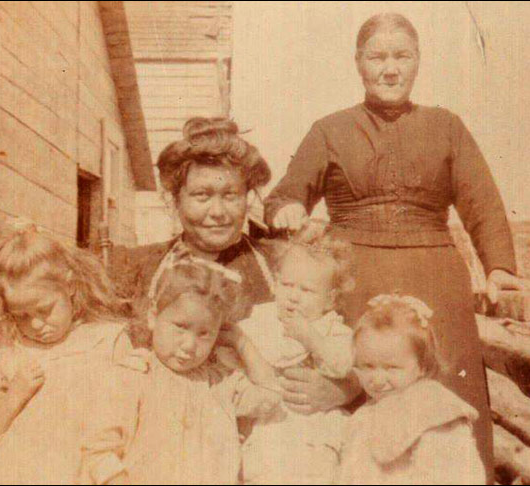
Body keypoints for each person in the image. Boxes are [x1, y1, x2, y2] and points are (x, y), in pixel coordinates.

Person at [264, 13, 530, 482]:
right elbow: (284, 195)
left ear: (417, 63)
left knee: (445, 393)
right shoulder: (330, 129)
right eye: (377, 57)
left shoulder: (447, 127)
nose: (390, 69)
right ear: (358, 64)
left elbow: (483, 203)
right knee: (360, 380)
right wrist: (286, 209)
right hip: (353, 276)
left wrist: (499, 268)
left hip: (435, 277)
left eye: (402, 56)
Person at [110, 117, 361, 421]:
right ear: (174, 200)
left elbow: (359, 348)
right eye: (202, 196)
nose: (217, 212)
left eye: (230, 195)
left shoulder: (282, 265)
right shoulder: (137, 268)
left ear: (247, 197)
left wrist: (344, 389)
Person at [0, 224, 137, 485]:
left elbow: (134, 414)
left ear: (70, 287)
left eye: (45, 310)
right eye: (21, 316)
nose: (35, 324)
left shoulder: (106, 342)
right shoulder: (7, 361)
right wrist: (13, 398)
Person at [81, 262, 280, 485]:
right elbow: (98, 450)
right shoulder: (134, 374)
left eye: (204, 334)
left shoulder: (222, 383)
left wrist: (241, 342)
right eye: (180, 327)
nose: (189, 345)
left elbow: (270, 395)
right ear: (153, 317)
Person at [234, 224, 355, 485]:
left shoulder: (333, 328)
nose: (294, 297)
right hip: (267, 424)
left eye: (307, 290)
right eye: (287, 285)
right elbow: (235, 356)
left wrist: (311, 338)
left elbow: (343, 366)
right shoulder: (261, 318)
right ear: (275, 283)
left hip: (316, 427)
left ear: (330, 299)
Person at [337, 294, 485, 484]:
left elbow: (452, 474)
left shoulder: (433, 411)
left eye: (392, 367)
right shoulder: (365, 415)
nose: (378, 380)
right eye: (368, 366)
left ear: (422, 365)